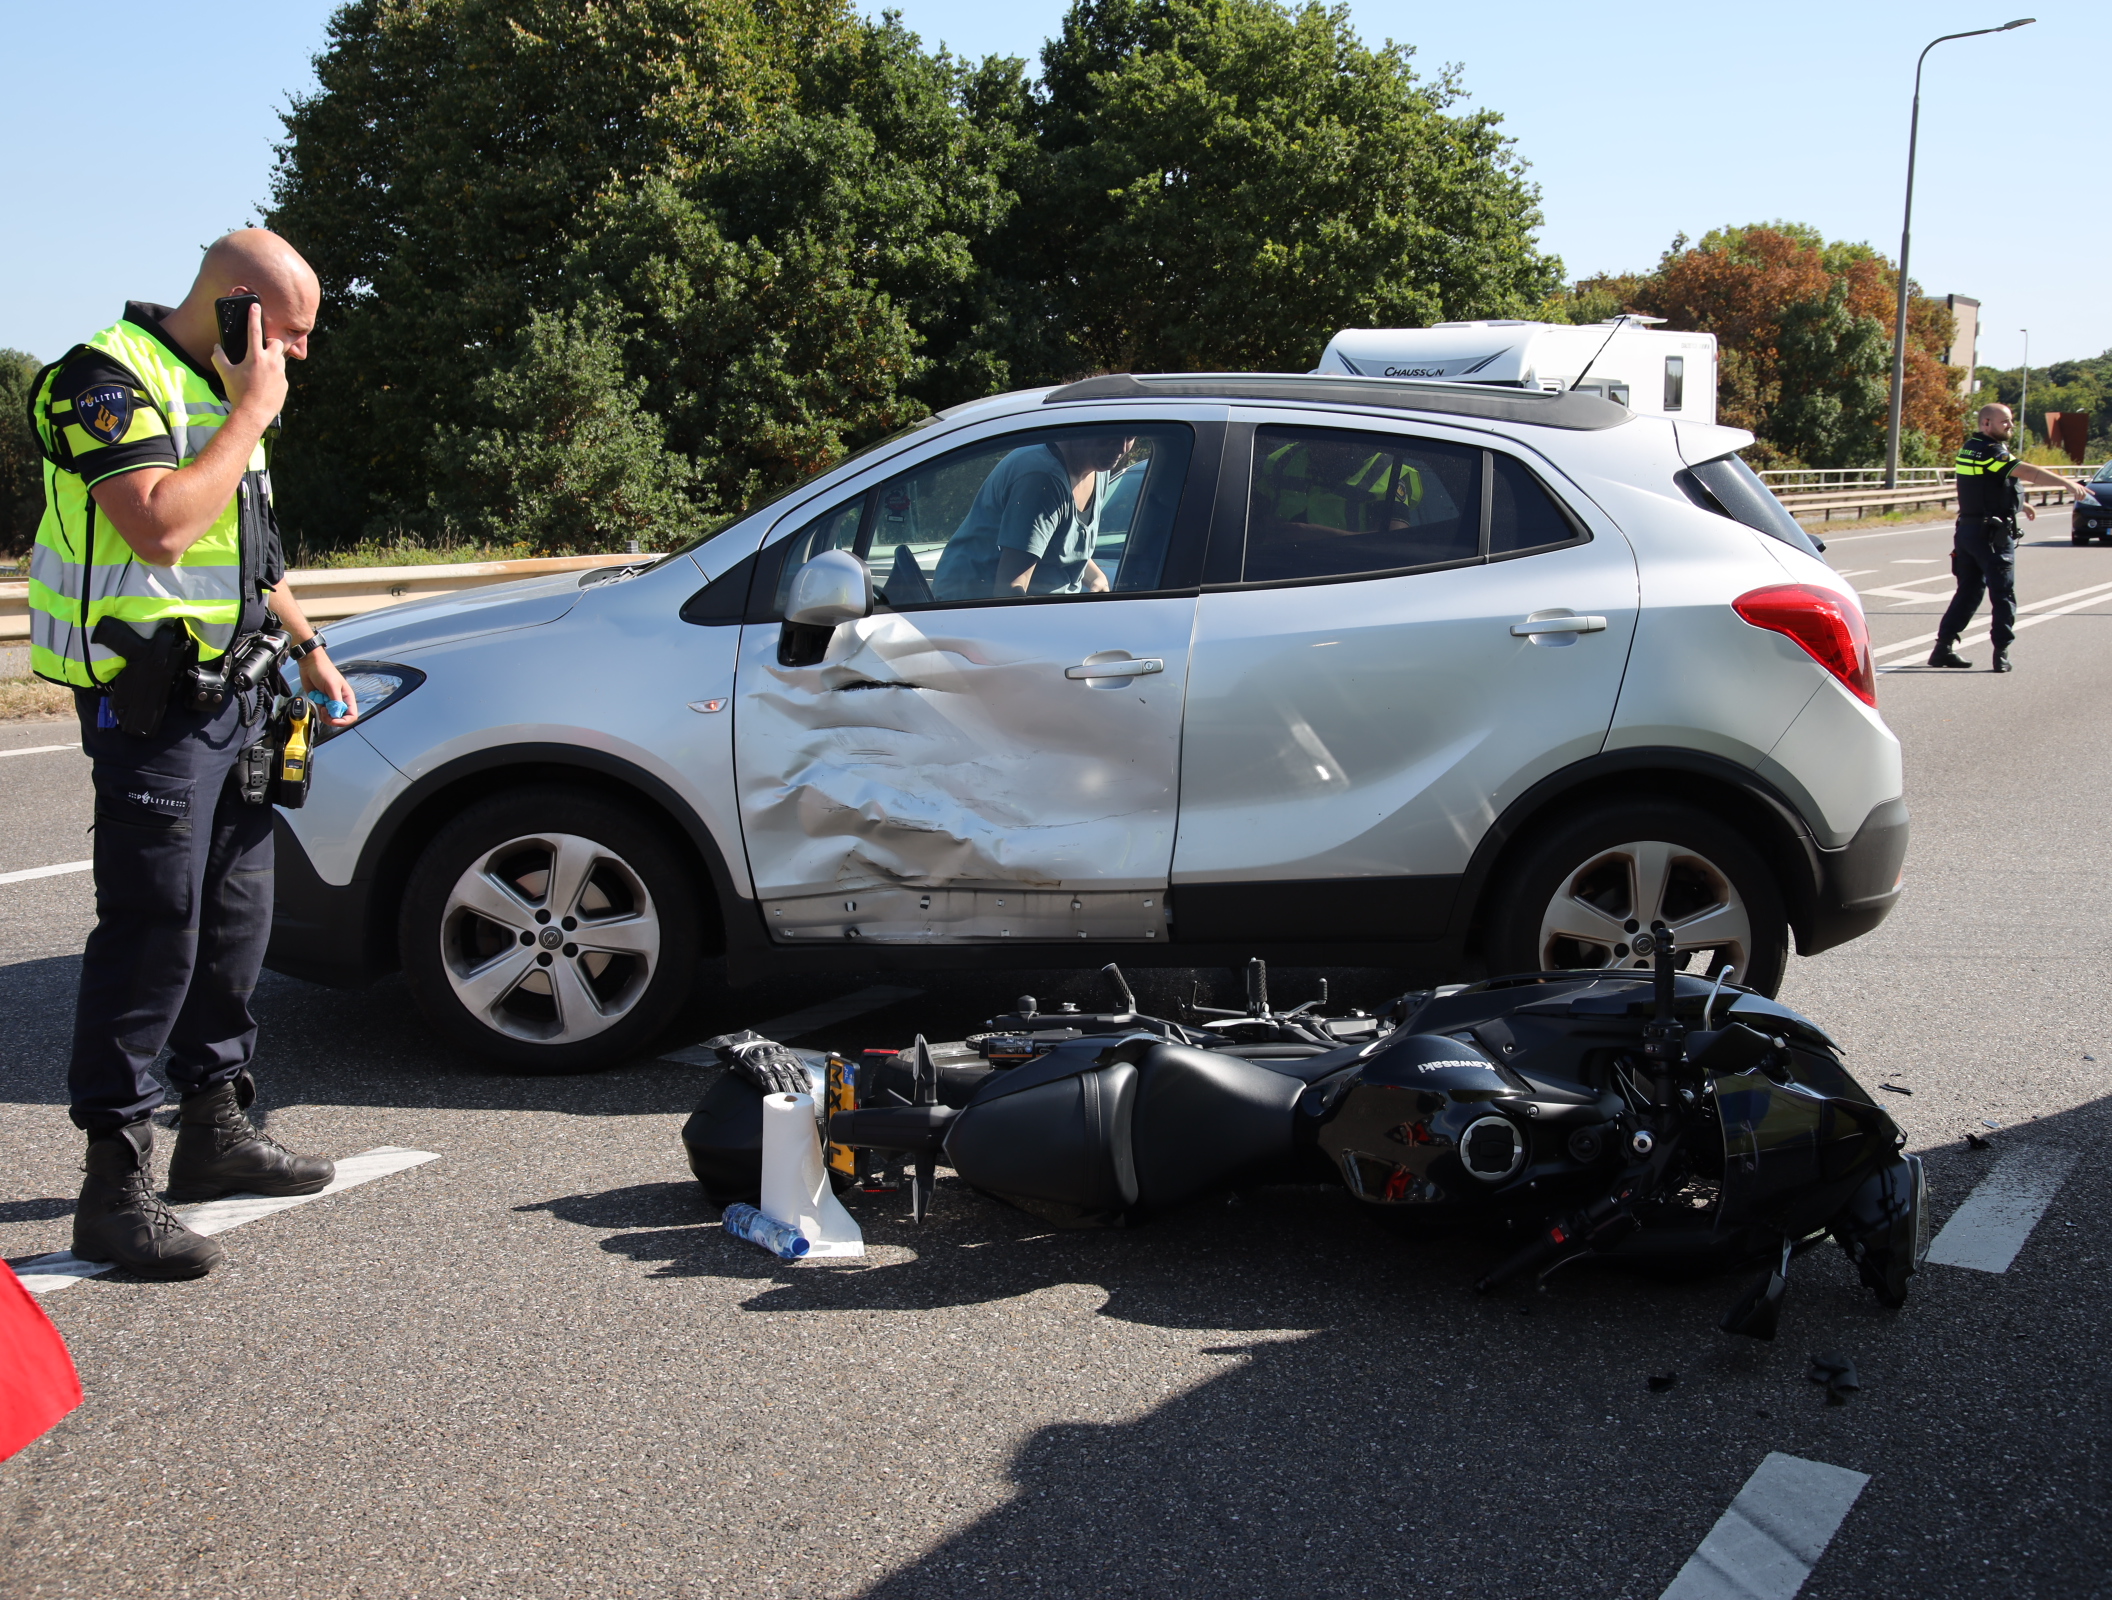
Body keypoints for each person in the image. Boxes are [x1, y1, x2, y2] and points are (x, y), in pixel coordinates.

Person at [27, 230, 358, 1279]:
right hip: (150, 709)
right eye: (290, 334)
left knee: (234, 923)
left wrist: (306, 645)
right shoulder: (101, 380)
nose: (296, 358)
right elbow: (161, 529)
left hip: (238, 696)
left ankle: (213, 1133)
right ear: (236, 309)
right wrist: (253, 408)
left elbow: (245, 545)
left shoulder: (219, 387)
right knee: (153, 931)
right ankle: (111, 1188)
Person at [1929, 402, 2091, 672]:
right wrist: (2066, 483)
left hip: (1967, 531)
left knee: (1968, 592)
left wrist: (2018, 504)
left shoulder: (1970, 447)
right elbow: (2027, 471)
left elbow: (1984, 486)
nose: (2011, 426)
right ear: (1986, 423)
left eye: (2011, 421)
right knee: (2003, 594)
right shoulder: (1992, 450)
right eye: (2005, 421)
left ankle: (1942, 648)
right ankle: (2001, 652)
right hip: (1991, 536)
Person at [931, 433, 1131, 601]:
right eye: (1111, 436)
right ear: (1080, 428)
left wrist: (1097, 578)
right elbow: (1009, 590)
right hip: (970, 609)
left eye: (1130, 436)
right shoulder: (1042, 477)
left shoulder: (1099, 468)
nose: (1121, 448)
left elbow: (1058, 547)